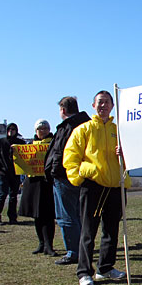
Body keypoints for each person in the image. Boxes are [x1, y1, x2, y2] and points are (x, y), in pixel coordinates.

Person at [64, 90, 130, 285]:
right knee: (88, 230)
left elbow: (132, 158)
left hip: (115, 186)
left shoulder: (118, 131)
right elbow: (70, 157)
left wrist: (124, 153)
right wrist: (82, 176)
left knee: (111, 230)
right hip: (93, 186)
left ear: (113, 106)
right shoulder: (83, 130)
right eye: (100, 102)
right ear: (93, 105)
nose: (103, 106)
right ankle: (84, 272)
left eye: (107, 102)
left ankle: (105, 268)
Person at [45, 96, 91, 265]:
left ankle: (74, 251)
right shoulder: (87, 125)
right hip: (83, 175)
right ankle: (83, 248)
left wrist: (53, 171)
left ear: (63, 110)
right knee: (80, 215)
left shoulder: (67, 127)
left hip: (65, 176)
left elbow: (59, 153)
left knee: (67, 216)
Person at [18, 120, 57, 255]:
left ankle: (49, 245)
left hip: (47, 183)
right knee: (37, 216)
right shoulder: (30, 145)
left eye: (46, 128)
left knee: (48, 215)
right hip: (34, 183)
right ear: (36, 131)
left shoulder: (53, 143)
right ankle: (41, 243)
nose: (44, 130)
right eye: (41, 128)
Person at [0, 122, 25, 225]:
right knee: (2, 194)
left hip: (15, 173)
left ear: (16, 131)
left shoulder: (21, 143)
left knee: (13, 196)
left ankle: (12, 217)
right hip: (3, 173)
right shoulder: (0, 142)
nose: (11, 131)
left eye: (13, 129)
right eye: (9, 129)